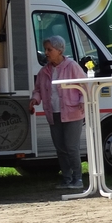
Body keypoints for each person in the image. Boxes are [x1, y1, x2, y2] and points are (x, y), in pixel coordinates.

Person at [29, 35, 87, 189]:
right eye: (45, 49)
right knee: (60, 149)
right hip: (53, 113)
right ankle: (67, 179)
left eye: (49, 50)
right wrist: (35, 99)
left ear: (60, 50)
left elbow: (85, 85)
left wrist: (82, 100)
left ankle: (78, 179)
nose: (46, 53)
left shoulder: (72, 66)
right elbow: (38, 89)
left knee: (71, 147)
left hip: (72, 112)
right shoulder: (44, 71)